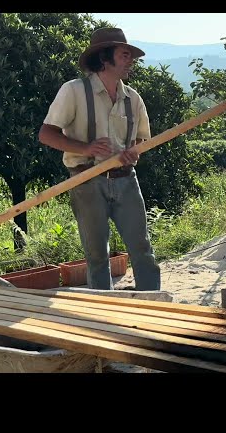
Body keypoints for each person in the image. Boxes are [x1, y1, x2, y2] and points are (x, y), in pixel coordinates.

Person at [39, 27, 161, 291]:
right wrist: (87, 148)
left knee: (143, 249)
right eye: (125, 54)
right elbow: (46, 134)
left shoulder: (133, 98)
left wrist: (134, 151)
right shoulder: (73, 91)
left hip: (126, 180)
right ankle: (101, 310)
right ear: (105, 58)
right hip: (86, 181)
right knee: (96, 255)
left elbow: (141, 139)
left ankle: (153, 305)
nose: (131, 61)